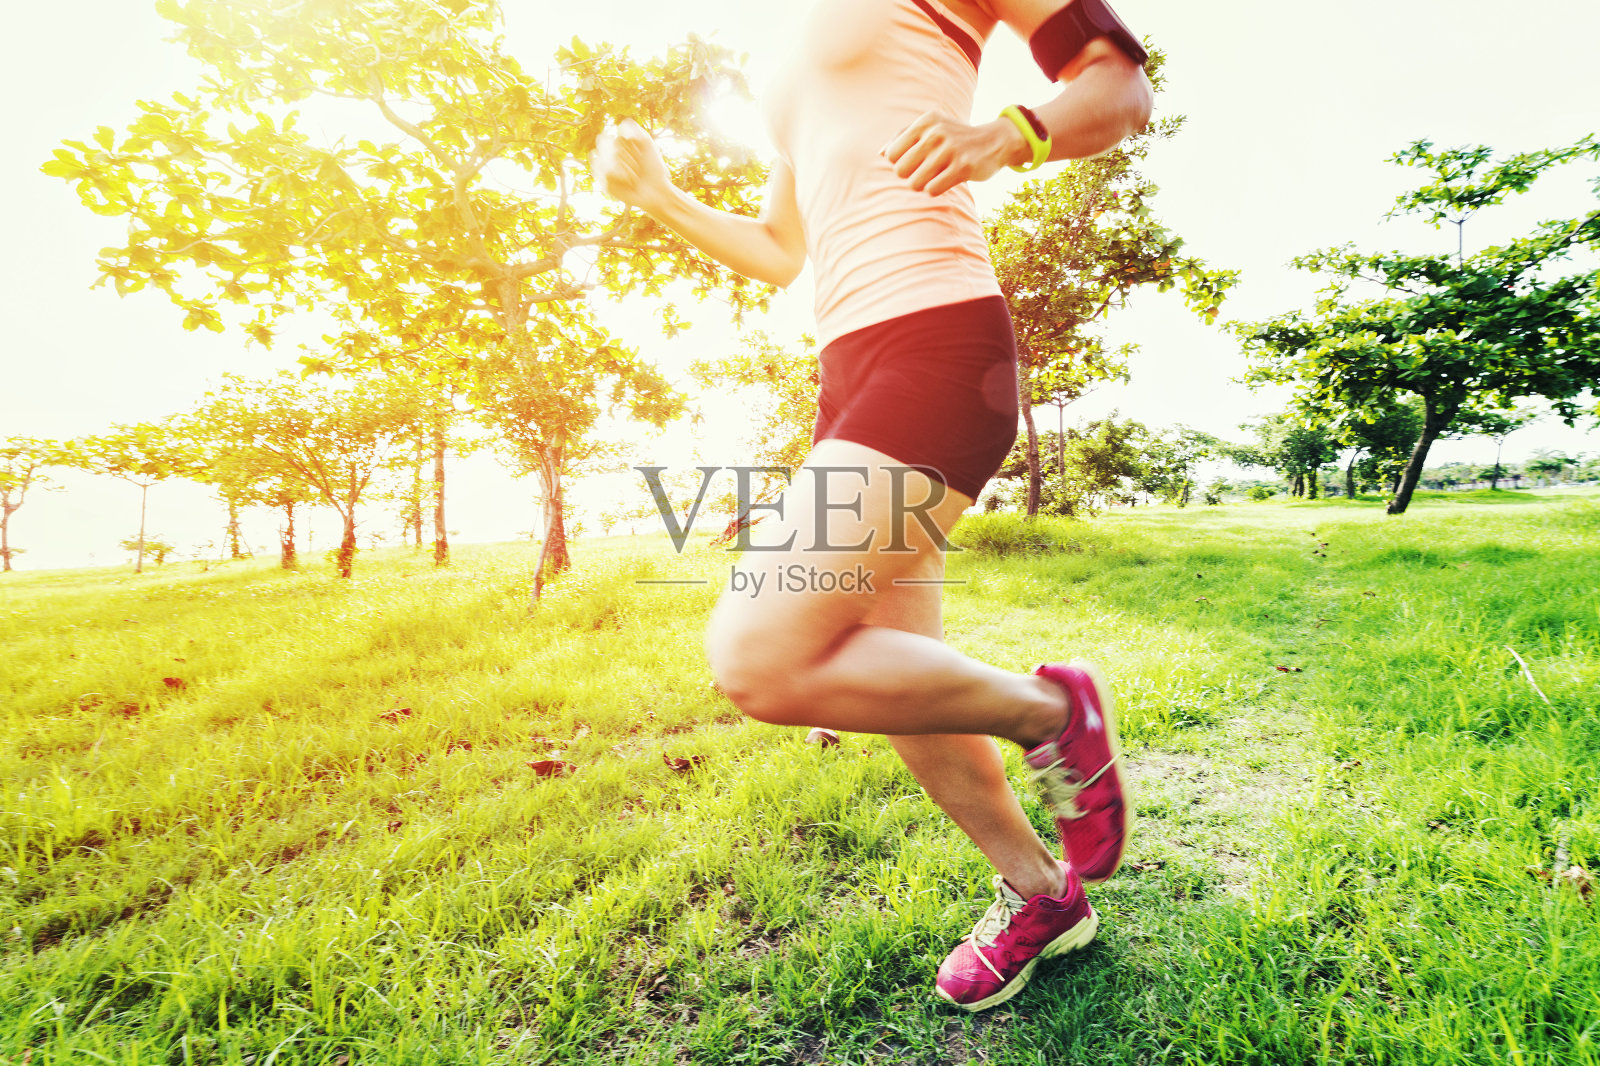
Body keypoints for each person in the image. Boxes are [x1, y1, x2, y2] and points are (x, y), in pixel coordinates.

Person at [592, 0, 1153, 1012]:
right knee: (905, 683)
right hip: (848, 366)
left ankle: (1051, 713)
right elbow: (776, 247)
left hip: (937, 339)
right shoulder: (790, 52)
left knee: (760, 654)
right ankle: (1040, 895)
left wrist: (1005, 135)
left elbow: (1117, 85)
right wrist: (661, 197)